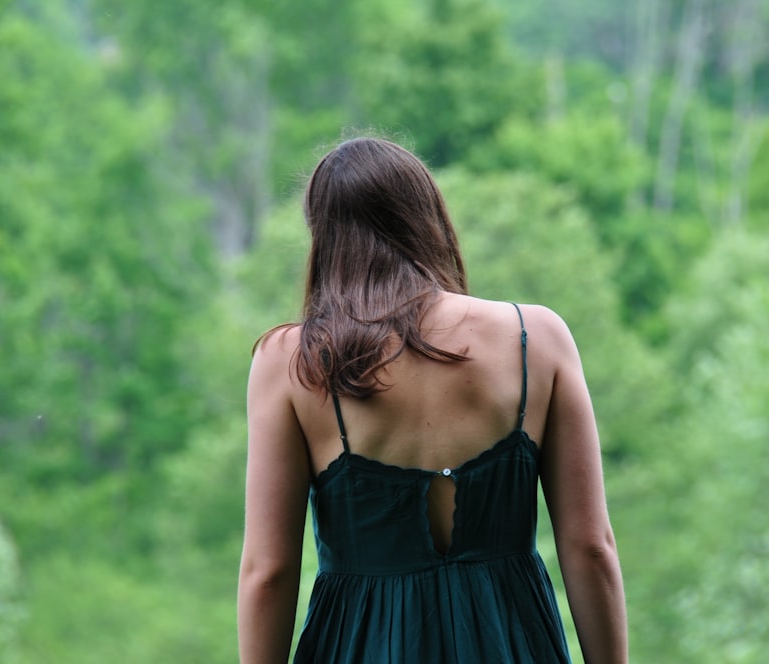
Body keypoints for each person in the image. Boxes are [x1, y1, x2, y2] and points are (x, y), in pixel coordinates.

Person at [237, 137, 627, 663]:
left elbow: (268, 572)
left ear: (322, 238)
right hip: (511, 643)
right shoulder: (536, 337)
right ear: (428, 219)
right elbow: (590, 548)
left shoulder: (293, 363)